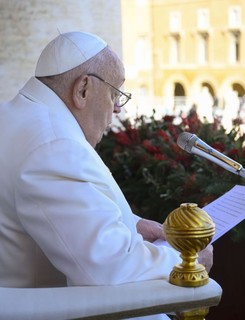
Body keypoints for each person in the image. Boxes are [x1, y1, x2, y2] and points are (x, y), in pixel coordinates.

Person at [0, 31, 213, 319]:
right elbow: (108, 268)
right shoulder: (55, 146)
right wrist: (186, 260)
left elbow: (59, 214)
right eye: (116, 93)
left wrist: (134, 224)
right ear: (83, 89)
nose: (117, 108)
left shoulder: (16, 116)